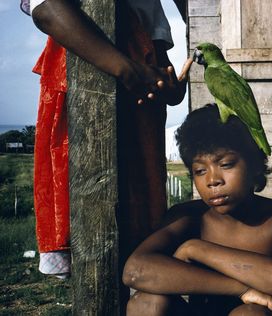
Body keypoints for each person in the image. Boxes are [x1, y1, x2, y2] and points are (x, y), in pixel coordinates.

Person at [20, 0, 188, 278]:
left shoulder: (148, 6)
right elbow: (45, 8)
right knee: (91, 223)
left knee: (138, 229)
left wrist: (166, 86)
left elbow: (161, 62)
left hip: (140, 112)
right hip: (86, 93)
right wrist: (126, 69)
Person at [123, 104, 272, 316]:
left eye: (226, 164)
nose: (213, 181)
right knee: (146, 302)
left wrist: (195, 249)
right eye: (200, 170)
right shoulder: (188, 216)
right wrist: (242, 289)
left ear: (254, 163)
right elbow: (135, 271)